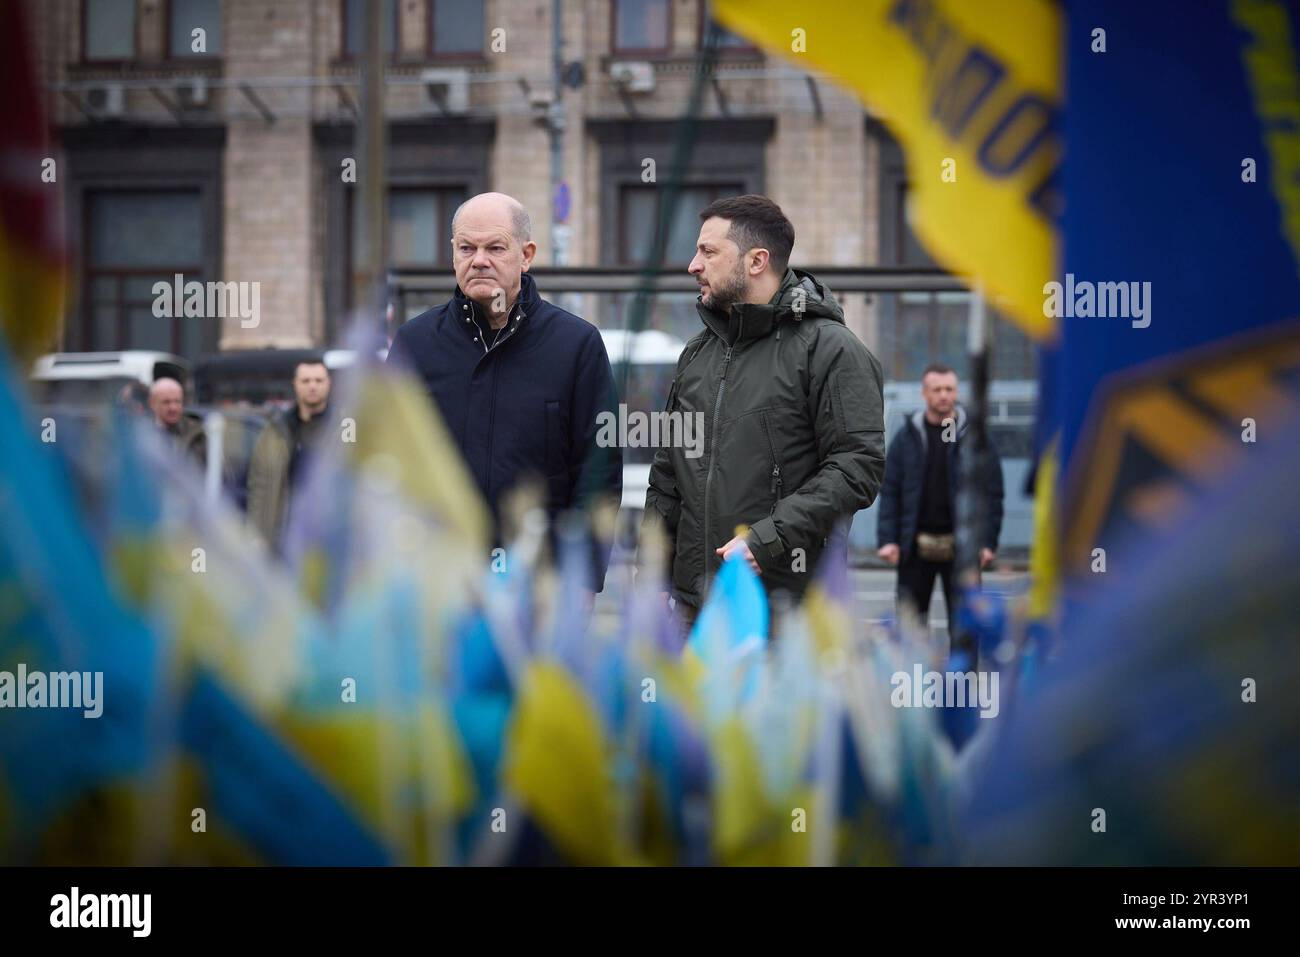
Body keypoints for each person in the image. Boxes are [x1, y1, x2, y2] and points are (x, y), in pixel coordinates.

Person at [641, 195, 886, 631]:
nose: (693, 265)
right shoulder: (697, 354)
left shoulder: (831, 350)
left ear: (756, 261)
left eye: (708, 251)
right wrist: (654, 575)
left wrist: (769, 539)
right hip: (691, 614)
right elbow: (666, 476)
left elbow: (857, 466)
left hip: (785, 613)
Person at [386, 191, 622, 591]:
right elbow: (386, 464)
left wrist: (582, 582)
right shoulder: (415, 344)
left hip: (540, 584)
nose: (479, 260)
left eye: (495, 247)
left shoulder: (576, 345)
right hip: (435, 584)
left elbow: (598, 473)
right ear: (453, 254)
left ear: (526, 254)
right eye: (467, 248)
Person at [876, 363, 1004, 655]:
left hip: (963, 550)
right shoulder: (907, 437)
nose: (944, 395)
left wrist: (987, 542)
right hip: (914, 547)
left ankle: (963, 687)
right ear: (924, 393)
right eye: (937, 389)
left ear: (956, 392)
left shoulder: (975, 438)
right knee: (910, 628)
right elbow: (891, 491)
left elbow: (991, 494)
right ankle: (912, 690)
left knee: (965, 628)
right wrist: (888, 540)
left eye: (949, 389)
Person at [246, 359, 333, 552]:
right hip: (283, 537)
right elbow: (259, 485)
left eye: (319, 380)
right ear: (295, 384)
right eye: (306, 381)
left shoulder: (342, 430)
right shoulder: (276, 430)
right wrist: (256, 534)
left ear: (329, 384)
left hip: (328, 540)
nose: (312, 386)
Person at [148, 377, 205, 466]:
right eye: (166, 402)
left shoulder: (198, 434)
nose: (173, 408)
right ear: (152, 403)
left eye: (177, 401)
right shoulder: (141, 433)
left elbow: (221, 472)